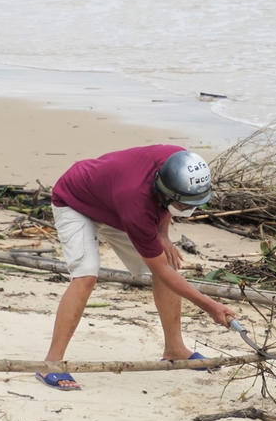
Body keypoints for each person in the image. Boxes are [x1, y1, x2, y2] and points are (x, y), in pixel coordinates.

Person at [37, 145, 238, 390]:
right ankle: (52, 363)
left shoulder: (178, 161)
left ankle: (175, 349)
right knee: (86, 275)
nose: (188, 210)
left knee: (167, 262)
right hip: (75, 201)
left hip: (112, 203)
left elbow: (163, 206)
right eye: (184, 206)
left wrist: (163, 235)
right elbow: (161, 270)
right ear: (166, 193)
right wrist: (210, 306)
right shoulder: (136, 205)